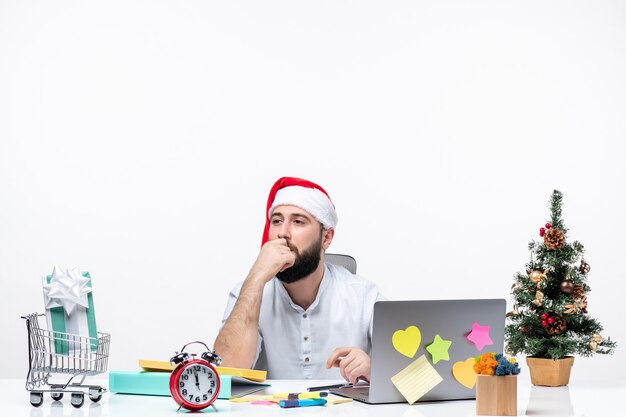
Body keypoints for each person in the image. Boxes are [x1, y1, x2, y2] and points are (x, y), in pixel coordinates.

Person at [214, 177, 384, 383]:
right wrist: (257, 277)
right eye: (276, 221)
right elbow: (224, 375)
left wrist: (375, 372)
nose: (282, 233)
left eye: (298, 221)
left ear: (327, 238)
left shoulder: (364, 296)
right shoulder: (248, 291)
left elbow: (421, 378)